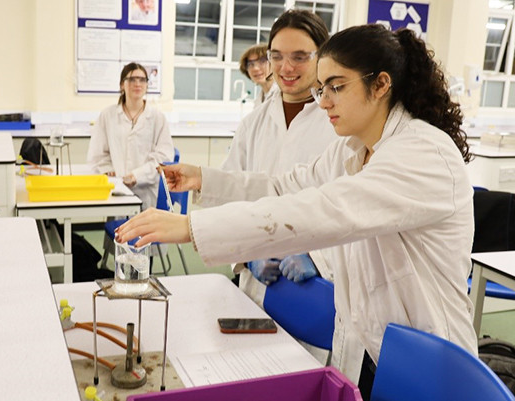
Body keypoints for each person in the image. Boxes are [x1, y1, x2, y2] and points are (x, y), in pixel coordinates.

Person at [116, 24, 478, 400]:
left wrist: (192, 226)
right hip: (378, 348)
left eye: (336, 87)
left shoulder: (424, 154)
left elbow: (325, 211)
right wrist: (205, 179)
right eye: (322, 90)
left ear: (381, 84)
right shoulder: (353, 148)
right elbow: (282, 187)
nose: (323, 102)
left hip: (434, 361)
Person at [223, 10, 337, 311]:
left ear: (322, 57)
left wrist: (319, 259)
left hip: (320, 287)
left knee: (311, 357)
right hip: (256, 283)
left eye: (300, 56)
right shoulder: (254, 123)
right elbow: (228, 198)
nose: (286, 67)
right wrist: (247, 254)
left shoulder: (340, 123)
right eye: (276, 56)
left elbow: (358, 209)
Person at [87, 62, 174, 210]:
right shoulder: (108, 115)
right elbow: (98, 153)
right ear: (122, 85)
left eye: (142, 80)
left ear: (147, 85)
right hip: (116, 189)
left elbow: (164, 158)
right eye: (132, 79)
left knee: (143, 230)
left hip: (146, 190)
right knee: (116, 230)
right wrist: (107, 169)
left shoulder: (157, 118)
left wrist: (137, 176)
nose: (137, 84)